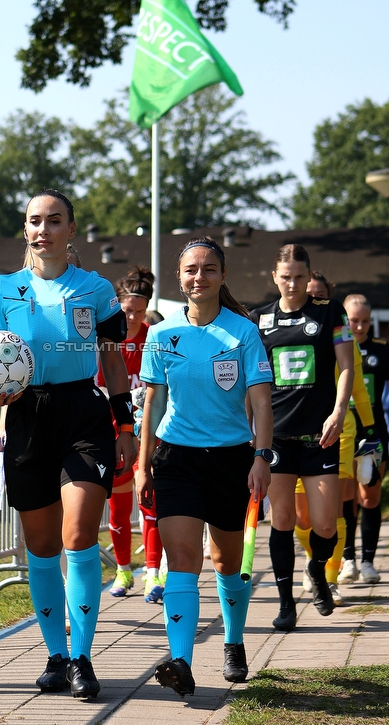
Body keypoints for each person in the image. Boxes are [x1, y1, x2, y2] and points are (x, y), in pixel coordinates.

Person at [0, 189, 137, 699]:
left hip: (83, 418)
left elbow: (113, 364)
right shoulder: (4, 291)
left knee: (78, 536)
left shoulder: (96, 290)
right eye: (34, 221)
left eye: (54, 221)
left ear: (72, 230)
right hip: (26, 419)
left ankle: (84, 658)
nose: (43, 229)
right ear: (25, 231)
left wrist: (126, 427)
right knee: (43, 547)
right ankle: (55, 656)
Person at [137, 236, 273, 695]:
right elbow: (153, 404)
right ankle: (181, 661)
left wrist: (260, 456)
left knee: (227, 562)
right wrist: (143, 465)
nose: (199, 277)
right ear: (179, 277)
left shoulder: (243, 332)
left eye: (209, 269)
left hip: (233, 459)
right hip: (176, 458)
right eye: (191, 269)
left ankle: (233, 641)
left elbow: (261, 401)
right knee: (183, 561)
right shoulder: (162, 334)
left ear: (223, 275)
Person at [251, 244, 354, 631]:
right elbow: (250, 381)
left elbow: (346, 367)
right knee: (283, 519)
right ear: (274, 277)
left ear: (309, 276)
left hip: (319, 434)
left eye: (299, 276)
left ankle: (316, 566)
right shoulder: (258, 318)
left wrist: (339, 411)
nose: (292, 284)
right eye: (285, 276)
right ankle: (285, 603)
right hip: (276, 436)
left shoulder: (330, 312)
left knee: (326, 523)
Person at [293, 272, 374, 607]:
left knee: (333, 511)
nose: (311, 299)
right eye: (307, 293)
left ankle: (329, 576)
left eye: (319, 295)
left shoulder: (342, 335)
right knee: (302, 519)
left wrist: (369, 431)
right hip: (293, 430)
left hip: (337, 430)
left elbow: (356, 385)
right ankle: (315, 563)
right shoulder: (281, 329)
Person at [96, 266, 164, 603]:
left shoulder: (155, 337)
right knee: (119, 509)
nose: (133, 316)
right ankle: (123, 570)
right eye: (127, 310)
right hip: (116, 434)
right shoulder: (107, 341)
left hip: (150, 434)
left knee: (150, 506)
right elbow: (100, 385)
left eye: (139, 310)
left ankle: (154, 573)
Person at [341, 293, 389, 584]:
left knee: (370, 497)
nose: (359, 326)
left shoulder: (381, 350)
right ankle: (347, 560)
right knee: (345, 498)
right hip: (342, 432)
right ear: (345, 320)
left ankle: (368, 561)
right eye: (354, 320)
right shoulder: (334, 347)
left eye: (365, 321)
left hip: (373, 436)